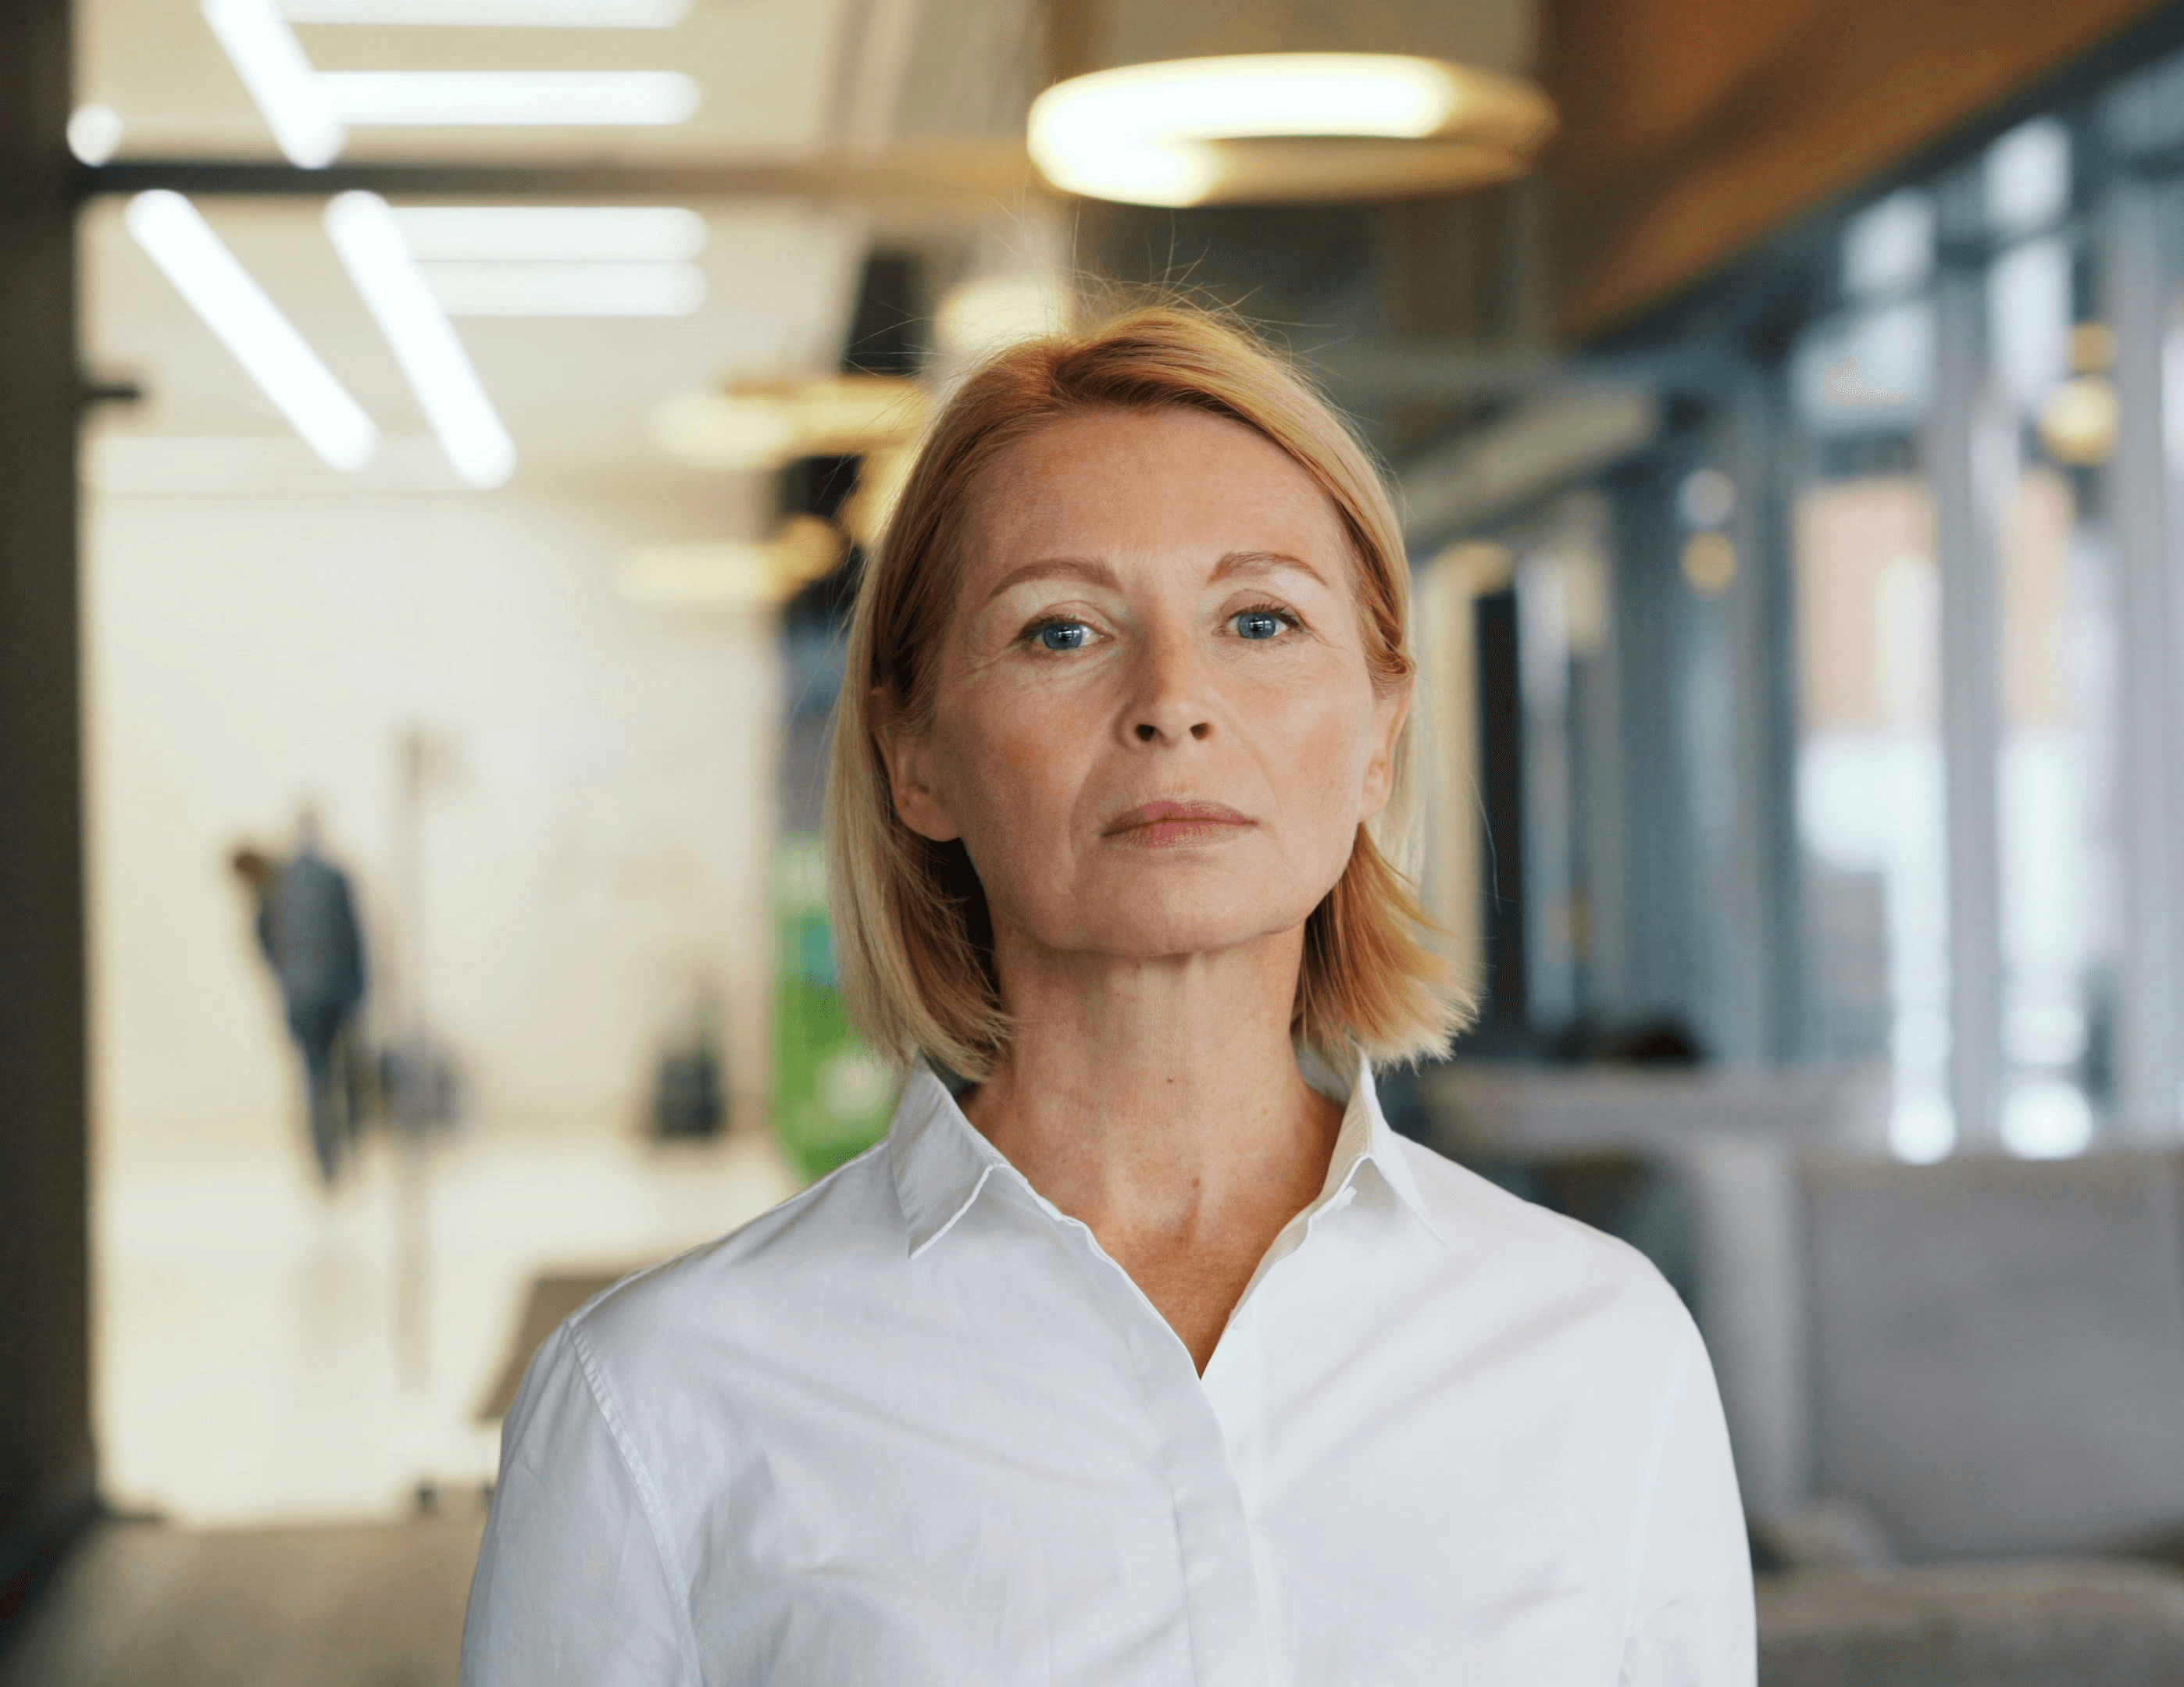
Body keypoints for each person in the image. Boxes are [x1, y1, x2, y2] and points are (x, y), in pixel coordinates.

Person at [461, 305, 1755, 1684]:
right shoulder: (655, 1404)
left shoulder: (1604, 1350)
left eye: (1260, 619)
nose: (1174, 702)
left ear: (1379, 737)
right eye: (1063, 631)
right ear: (915, 756)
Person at [233, 811, 368, 1186]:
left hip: (313, 998)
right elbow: (351, 939)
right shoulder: (306, 883)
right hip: (327, 997)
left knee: (322, 1079)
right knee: (333, 1078)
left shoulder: (280, 888)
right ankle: (336, 1159)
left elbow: (267, 945)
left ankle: (332, 1160)